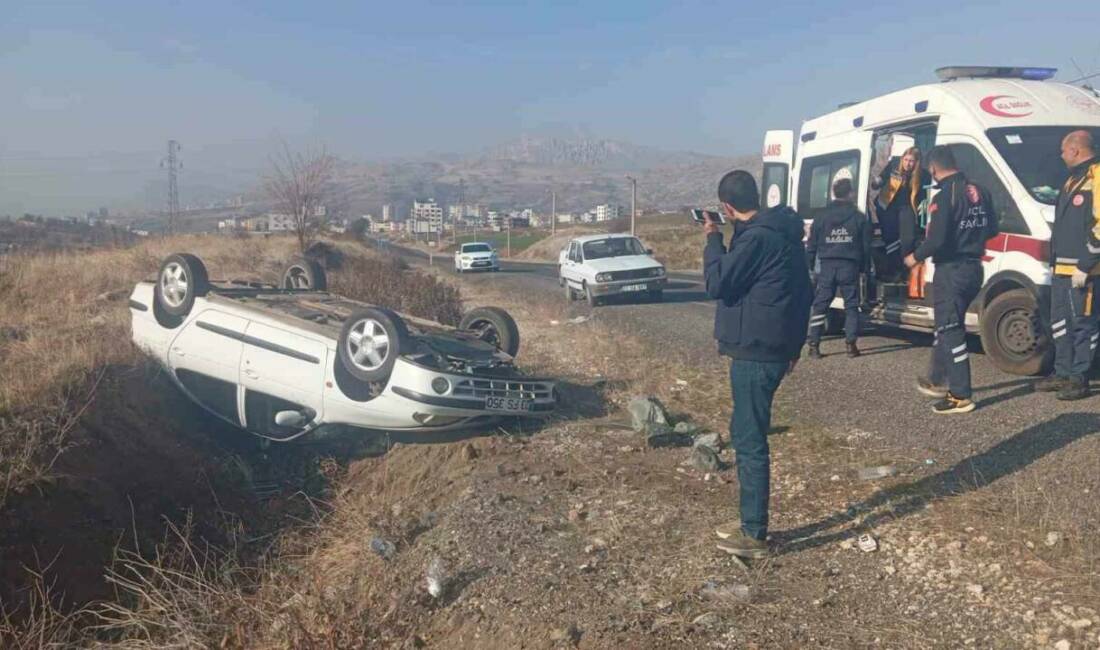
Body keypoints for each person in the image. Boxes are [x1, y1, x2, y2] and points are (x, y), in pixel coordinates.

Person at [702, 170, 812, 558]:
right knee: (749, 431)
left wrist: (713, 238)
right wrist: (795, 345)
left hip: (755, 350)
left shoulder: (758, 239)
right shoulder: (783, 233)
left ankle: (753, 533)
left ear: (727, 207)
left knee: (748, 439)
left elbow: (717, 283)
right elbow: (804, 292)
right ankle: (751, 520)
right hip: (775, 348)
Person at [905, 146, 998, 414]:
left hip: (952, 270)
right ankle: (937, 379)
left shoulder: (944, 196)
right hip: (974, 268)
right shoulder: (981, 191)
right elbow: (992, 228)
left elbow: (936, 239)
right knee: (947, 325)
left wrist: (915, 258)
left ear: (933, 169)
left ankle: (960, 395)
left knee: (950, 328)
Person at [1034, 130, 1100, 400]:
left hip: (1085, 270)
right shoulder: (1073, 179)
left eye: (1063, 150)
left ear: (1075, 150)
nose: (1061, 155)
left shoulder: (1096, 176)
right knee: (1060, 322)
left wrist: (1086, 263)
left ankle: (1079, 376)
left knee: (1084, 323)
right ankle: (1062, 372)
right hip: (1061, 269)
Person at [805, 177, 871, 358]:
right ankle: (850, 345)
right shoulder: (859, 218)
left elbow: (812, 244)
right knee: (851, 306)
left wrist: (809, 265)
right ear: (850, 194)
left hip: (827, 265)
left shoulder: (821, 216)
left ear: (834, 193)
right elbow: (866, 246)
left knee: (821, 305)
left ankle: (814, 345)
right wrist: (864, 268)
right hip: (849, 266)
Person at [873, 146, 929, 280]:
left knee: (907, 240)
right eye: (906, 160)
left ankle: (904, 270)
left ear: (916, 162)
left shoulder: (922, 175)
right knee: (890, 239)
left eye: (911, 161)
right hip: (889, 208)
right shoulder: (894, 168)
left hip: (908, 208)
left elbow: (926, 193)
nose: (907, 164)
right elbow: (879, 180)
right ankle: (894, 269)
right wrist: (876, 182)